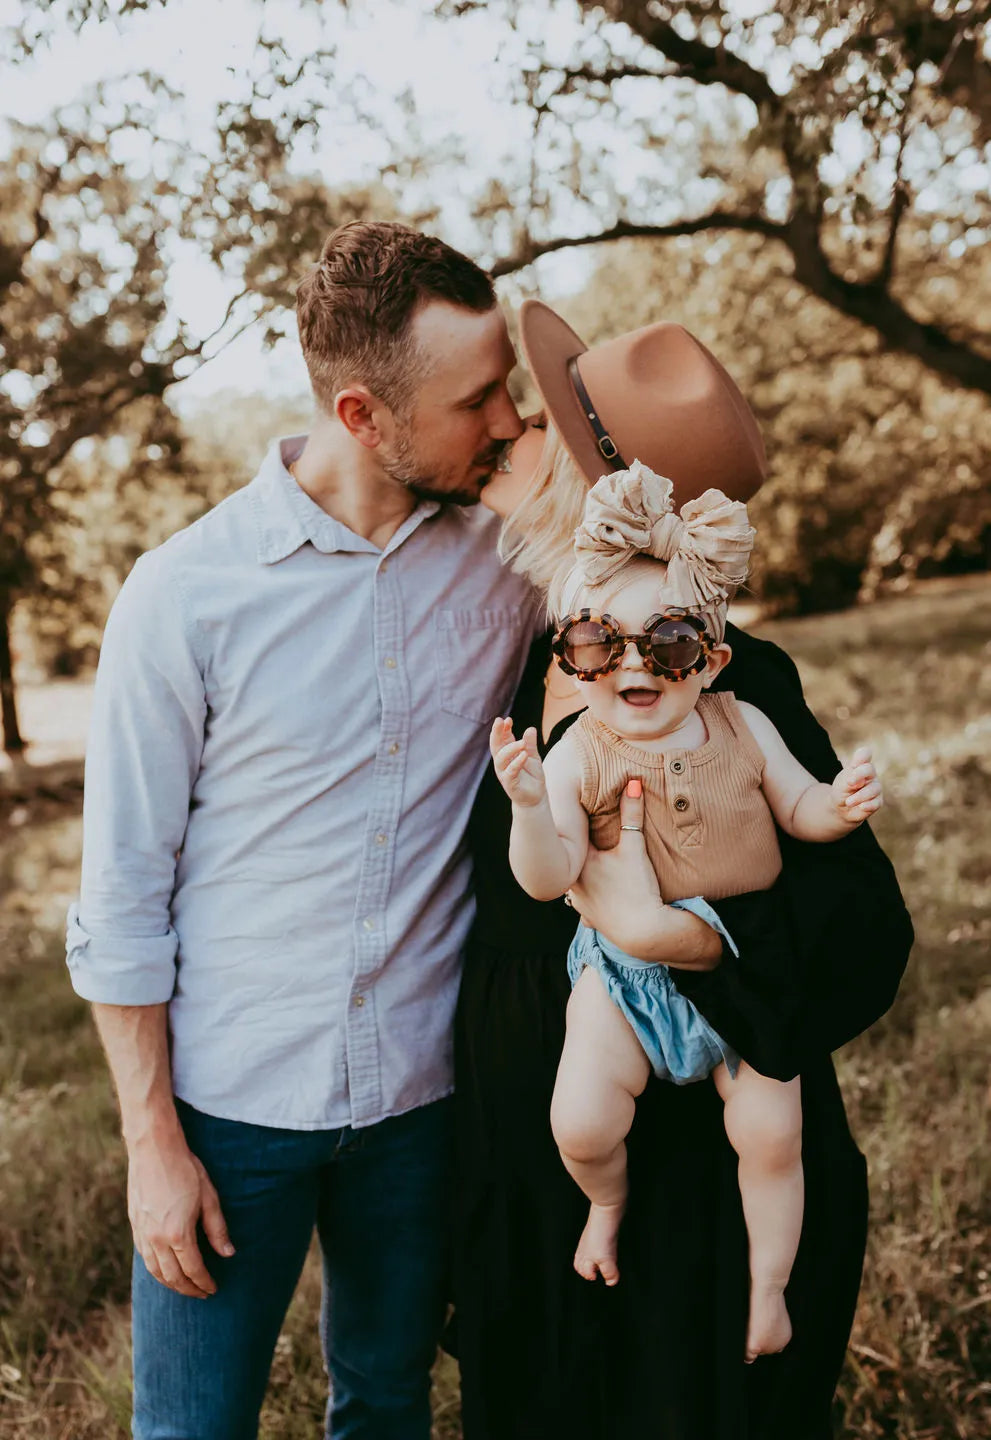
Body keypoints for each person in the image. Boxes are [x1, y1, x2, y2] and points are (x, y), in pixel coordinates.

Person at [65, 221, 545, 1440]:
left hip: (425, 1103)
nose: (506, 421)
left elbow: (670, 512)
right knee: (188, 1430)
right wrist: (151, 1146)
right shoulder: (185, 596)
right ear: (360, 412)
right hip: (231, 1111)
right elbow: (122, 893)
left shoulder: (511, 554)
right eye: (475, 399)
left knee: (386, 1404)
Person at [452, 302, 914, 1439]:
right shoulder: (529, 661)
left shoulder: (731, 683)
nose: (506, 427)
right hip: (545, 1144)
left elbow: (860, 928)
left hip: (694, 1156)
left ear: (592, 482)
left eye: (538, 422)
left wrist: (676, 939)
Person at [490, 464, 883, 1363]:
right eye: (598, 642)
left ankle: (769, 1293)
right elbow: (548, 879)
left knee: (771, 1136)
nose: (632, 663)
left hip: (743, 963)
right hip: (620, 979)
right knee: (582, 1120)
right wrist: (523, 806)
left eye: (666, 643)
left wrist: (839, 804)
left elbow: (797, 806)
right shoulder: (575, 749)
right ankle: (606, 1204)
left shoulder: (744, 722)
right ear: (568, 656)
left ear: (709, 661)